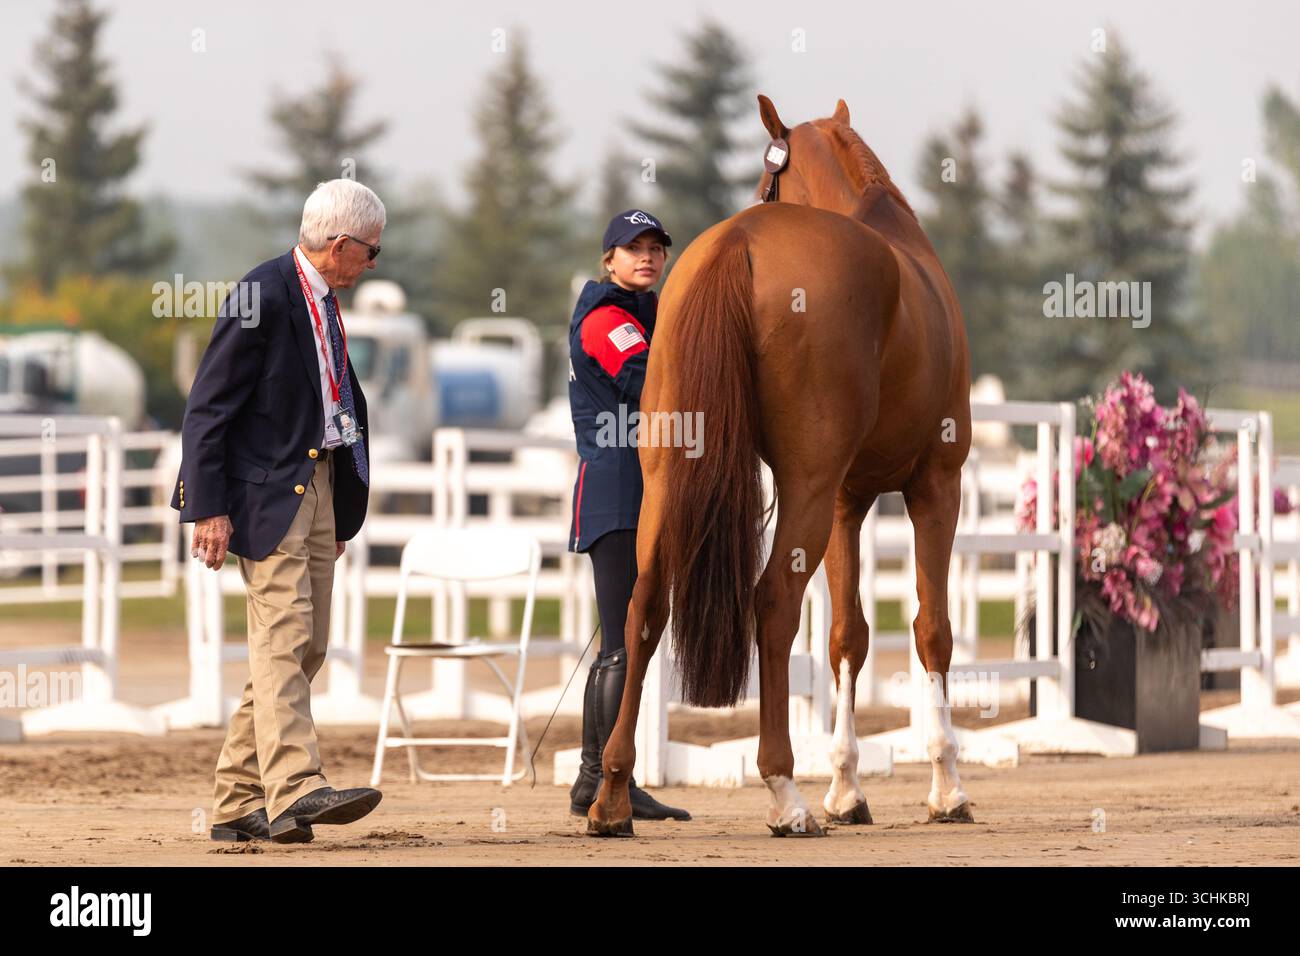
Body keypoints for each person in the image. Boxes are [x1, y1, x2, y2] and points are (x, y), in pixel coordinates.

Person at [171, 179, 384, 843]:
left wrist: (339, 506)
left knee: (306, 644)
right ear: (340, 245)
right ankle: (298, 787)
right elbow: (209, 407)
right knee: (283, 638)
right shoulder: (262, 294)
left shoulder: (324, 303)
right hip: (268, 493)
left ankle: (236, 801)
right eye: (371, 253)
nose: (374, 264)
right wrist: (209, 508)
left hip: (317, 487)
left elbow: (333, 399)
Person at [566, 209, 690, 821]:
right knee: (621, 643)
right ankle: (600, 776)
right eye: (632, 248)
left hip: (644, 488)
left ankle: (601, 776)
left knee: (629, 638)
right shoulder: (606, 319)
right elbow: (647, 381)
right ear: (609, 260)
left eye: (655, 249)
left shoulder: (652, 314)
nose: (646, 257)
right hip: (616, 491)